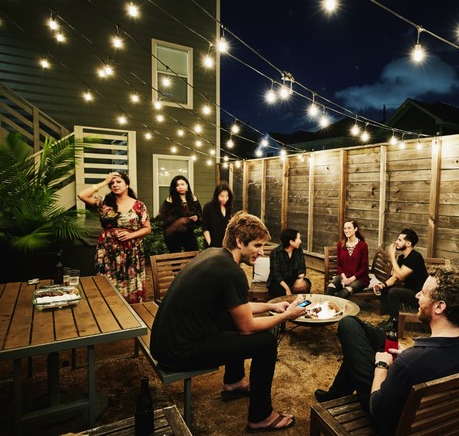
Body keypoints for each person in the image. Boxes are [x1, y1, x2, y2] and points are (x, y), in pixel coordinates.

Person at [150, 211, 306, 432]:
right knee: (266, 343)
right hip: (178, 351)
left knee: (232, 320)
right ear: (240, 241)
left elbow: (237, 309)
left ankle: (234, 382)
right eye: (257, 245)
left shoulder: (214, 255)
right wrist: (285, 316)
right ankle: (260, 416)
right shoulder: (232, 272)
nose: (262, 252)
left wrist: (271, 307)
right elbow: (247, 326)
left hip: (164, 343)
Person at [314, 267, 459, 435]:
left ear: (439, 306)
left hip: (394, 425)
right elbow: (441, 360)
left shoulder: (411, 363)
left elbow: (377, 409)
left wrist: (381, 366)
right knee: (360, 337)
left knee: (348, 326)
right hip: (452, 419)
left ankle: (335, 394)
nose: (417, 295)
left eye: (423, 293)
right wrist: (407, 354)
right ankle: (336, 394)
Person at [77, 172, 151, 303]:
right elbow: (82, 195)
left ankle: (131, 310)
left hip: (130, 251)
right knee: (107, 281)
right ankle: (110, 308)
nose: (115, 185)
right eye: (112, 183)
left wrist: (131, 235)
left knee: (130, 281)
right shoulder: (104, 203)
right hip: (107, 251)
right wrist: (105, 182)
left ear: (127, 184)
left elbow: (147, 228)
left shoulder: (139, 205)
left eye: (119, 182)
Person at [372, 229, 428, 332]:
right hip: (409, 290)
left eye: (400, 240)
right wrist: (383, 285)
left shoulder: (415, 257)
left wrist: (392, 257)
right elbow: (395, 277)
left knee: (394, 292)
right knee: (385, 289)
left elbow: (401, 276)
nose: (396, 242)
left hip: (420, 295)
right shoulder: (402, 257)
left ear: (408, 243)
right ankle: (391, 318)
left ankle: (394, 324)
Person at [325, 219, 369, 299]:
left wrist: (351, 279)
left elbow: (364, 268)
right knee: (330, 288)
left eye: (349, 228)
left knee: (345, 292)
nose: (346, 230)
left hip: (359, 278)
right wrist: (344, 278)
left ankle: (336, 305)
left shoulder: (363, 246)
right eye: (345, 228)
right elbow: (339, 265)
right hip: (344, 276)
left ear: (355, 229)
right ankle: (326, 305)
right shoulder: (340, 244)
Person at [159, 175, 203, 253]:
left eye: (182, 184)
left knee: (193, 253)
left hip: (188, 232)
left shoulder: (192, 198)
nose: (180, 187)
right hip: (173, 233)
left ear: (187, 186)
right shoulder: (170, 199)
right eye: (177, 185)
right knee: (176, 257)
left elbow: (200, 214)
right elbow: (166, 218)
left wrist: (196, 217)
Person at [267, 228, 312, 298]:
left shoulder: (299, 250)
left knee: (306, 284)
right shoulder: (276, 253)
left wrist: (300, 279)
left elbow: (302, 267)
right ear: (291, 242)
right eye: (298, 239)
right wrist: (287, 288)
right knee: (280, 291)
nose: (300, 241)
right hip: (279, 282)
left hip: (293, 279)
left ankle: (300, 303)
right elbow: (275, 274)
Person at [202, 181, 234, 248]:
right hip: (212, 245)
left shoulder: (229, 208)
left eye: (227, 196)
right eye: (221, 196)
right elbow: (205, 228)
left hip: (225, 246)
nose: (224, 199)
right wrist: (210, 244)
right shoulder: (208, 207)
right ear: (217, 195)